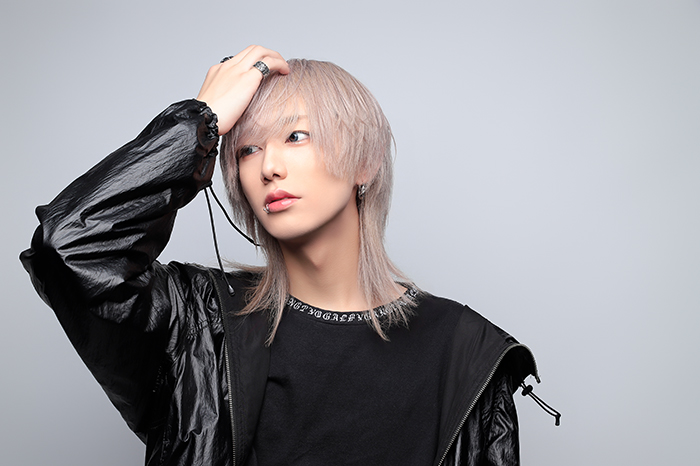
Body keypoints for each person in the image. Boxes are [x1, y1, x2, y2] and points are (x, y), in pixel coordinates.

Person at [20, 45, 555, 466]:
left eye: (296, 135)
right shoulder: (199, 324)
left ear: (364, 163)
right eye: (247, 149)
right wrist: (199, 123)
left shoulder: (467, 351)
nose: (268, 166)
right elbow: (70, 246)